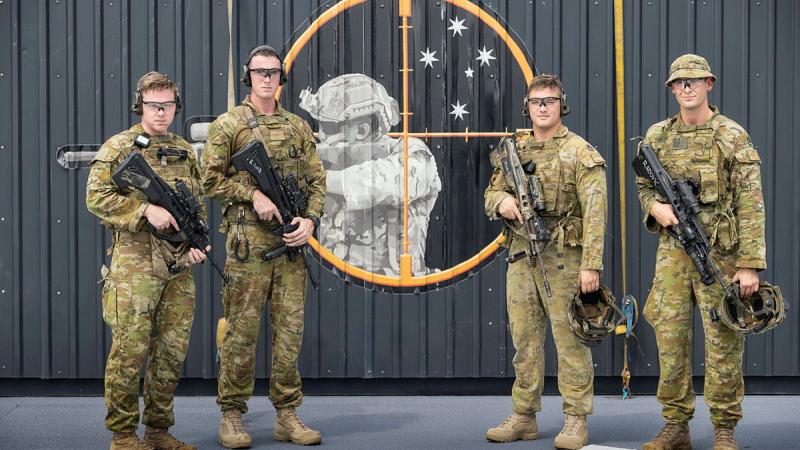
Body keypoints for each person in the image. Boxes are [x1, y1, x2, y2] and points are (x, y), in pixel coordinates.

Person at [636, 54, 765, 450]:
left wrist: (749, 264)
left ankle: (724, 428)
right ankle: (676, 426)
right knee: (670, 340)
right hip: (673, 256)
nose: (686, 88)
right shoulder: (656, 136)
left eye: (694, 81)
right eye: (679, 83)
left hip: (720, 255)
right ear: (672, 89)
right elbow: (645, 185)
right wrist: (653, 207)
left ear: (710, 83)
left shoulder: (731, 135)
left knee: (724, 339)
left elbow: (750, 200)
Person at [200, 44, 326, 448]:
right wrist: (250, 195)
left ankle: (287, 414)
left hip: (291, 246)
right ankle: (232, 415)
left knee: (290, 332)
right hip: (248, 247)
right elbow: (210, 180)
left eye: (273, 72)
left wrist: (310, 221)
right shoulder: (229, 125)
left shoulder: (298, 127)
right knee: (241, 332)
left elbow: (318, 183)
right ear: (248, 77)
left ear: (282, 78)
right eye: (259, 72)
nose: (267, 78)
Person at [483, 74, 607, 450]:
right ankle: (524, 416)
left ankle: (575, 419)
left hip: (565, 260)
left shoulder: (580, 152)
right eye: (536, 101)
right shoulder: (514, 152)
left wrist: (592, 266)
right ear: (527, 106)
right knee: (525, 341)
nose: (542, 107)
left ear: (561, 106)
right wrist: (501, 203)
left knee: (570, 341)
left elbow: (596, 212)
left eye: (550, 101)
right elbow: (491, 192)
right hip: (521, 255)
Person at [86, 71, 205, 450]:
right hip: (134, 268)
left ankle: (157, 430)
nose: (161, 113)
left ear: (176, 107)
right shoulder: (120, 147)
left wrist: (198, 243)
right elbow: (96, 198)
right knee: (130, 350)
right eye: (153, 105)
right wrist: (143, 211)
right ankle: (123, 436)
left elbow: (196, 203)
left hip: (178, 268)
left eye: (167, 105)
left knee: (170, 353)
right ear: (140, 105)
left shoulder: (185, 149)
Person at [298, 73, 442, 275]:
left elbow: (387, 181)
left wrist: (318, 179)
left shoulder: (413, 153)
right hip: (333, 286)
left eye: (328, 127)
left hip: (397, 290)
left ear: (361, 130)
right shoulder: (323, 161)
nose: (321, 136)